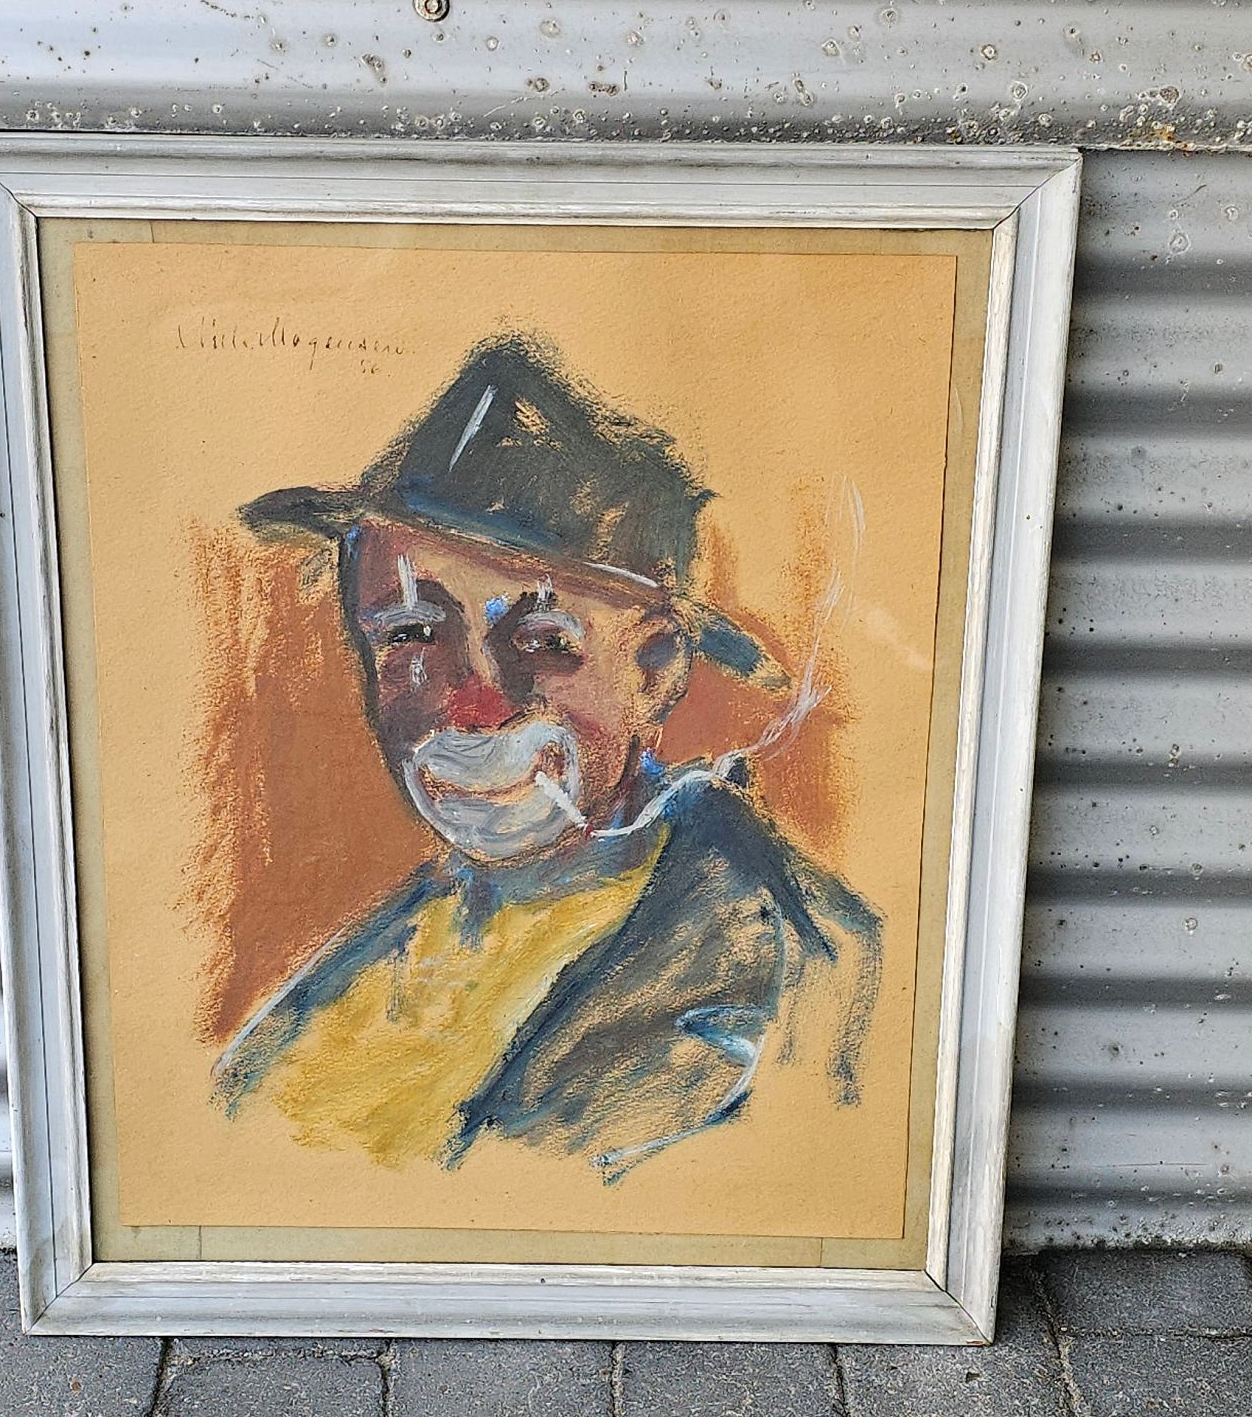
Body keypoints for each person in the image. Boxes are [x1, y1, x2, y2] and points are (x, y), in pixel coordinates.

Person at [212, 334, 881, 1179]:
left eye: (542, 641)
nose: (471, 702)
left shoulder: (792, 977)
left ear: (655, 669)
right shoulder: (370, 966)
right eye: (412, 633)